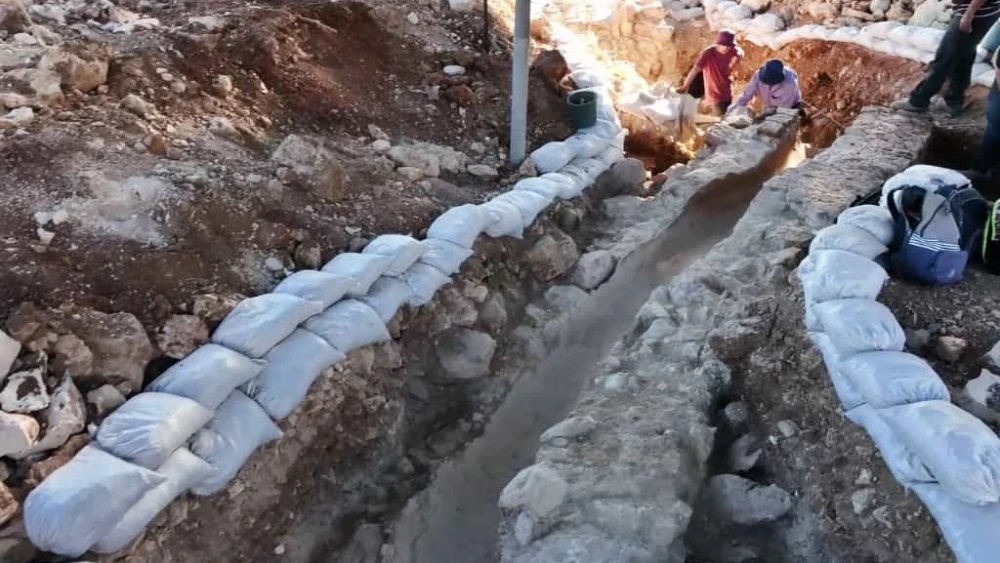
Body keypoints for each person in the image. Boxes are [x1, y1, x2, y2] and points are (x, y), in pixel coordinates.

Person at [892, 0, 1000, 116]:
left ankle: (918, 101)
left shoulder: (971, 14)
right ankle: (954, 101)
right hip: (980, 11)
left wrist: (969, 14)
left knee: (945, 57)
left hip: (977, 13)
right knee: (964, 55)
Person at [678, 30, 743, 116]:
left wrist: (735, 62)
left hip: (727, 92)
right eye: (723, 45)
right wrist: (685, 86)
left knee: (726, 116)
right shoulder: (708, 53)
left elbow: (740, 52)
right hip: (714, 94)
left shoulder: (732, 51)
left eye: (728, 46)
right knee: (721, 119)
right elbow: (695, 69)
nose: (726, 48)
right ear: (718, 43)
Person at [732, 59, 802, 111]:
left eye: (769, 83)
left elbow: (784, 110)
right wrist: (733, 110)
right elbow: (746, 95)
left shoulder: (790, 84)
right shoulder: (759, 75)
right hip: (769, 105)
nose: (766, 84)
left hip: (790, 106)